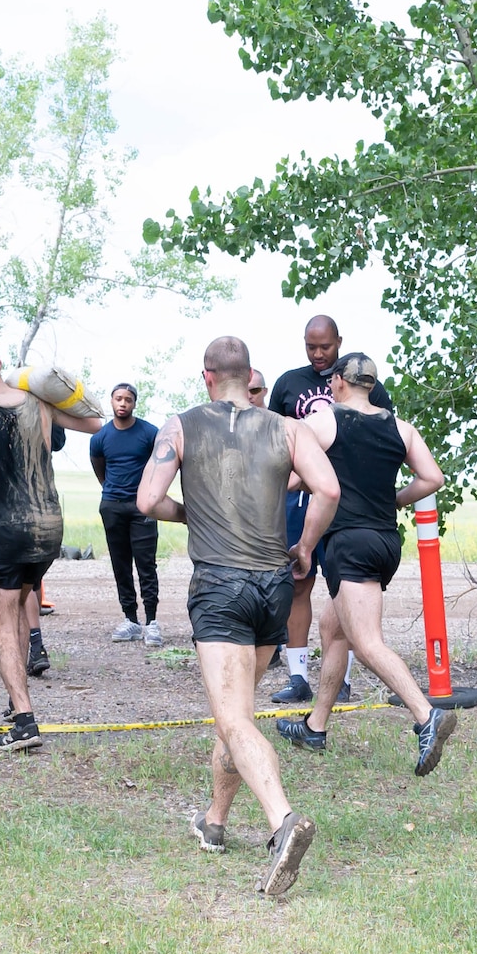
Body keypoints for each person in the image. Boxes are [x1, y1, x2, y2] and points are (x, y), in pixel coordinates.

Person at [138, 336, 342, 897]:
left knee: (231, 717)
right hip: (274, 585)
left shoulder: (179, 426)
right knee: (240, 712)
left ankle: (282, 823)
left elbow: (147, 500)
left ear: (207, 377)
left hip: (222, 586)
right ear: (249, 375)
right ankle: (216, 820)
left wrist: (192, 514)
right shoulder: (285, 427)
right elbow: (327, 487)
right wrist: (304, 546)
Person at [275, 354, 457, 776]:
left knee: (367, 641)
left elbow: (289, 471)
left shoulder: (325, 420)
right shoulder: (400, 427)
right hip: (385, 541)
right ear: (372, 385)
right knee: (332, 628)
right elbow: (432, 478)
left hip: (348, 543)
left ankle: (425, 716)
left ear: (338, 382)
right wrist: (392, 499)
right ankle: (315, 727)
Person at [0, 339, 103, 750]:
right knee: (18, 605)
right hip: (49, 526)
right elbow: (94, 424)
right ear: (0, 364)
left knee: (0, 621)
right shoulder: (36, 401)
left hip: (5, 526)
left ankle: (25, 722)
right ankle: (16, 698)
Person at [268, 314, 393, 703]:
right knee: (298, 582)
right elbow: (277, 439)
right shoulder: (289, 383)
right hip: (300, 501)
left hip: (349, 506)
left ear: (339, 342)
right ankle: (299, 676)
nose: (318, 354)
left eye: (325, 346)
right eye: (311, 346)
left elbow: (384, 439)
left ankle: (342, 679)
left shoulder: (368, 386)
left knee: (346, 590)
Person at [92, 383, 163, 646]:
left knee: (146, 565)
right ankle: (131, 620)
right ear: (111, 401)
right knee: (120, 564)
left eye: (128, 400)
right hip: (112, 506)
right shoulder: (100, 437)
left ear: (134, 403)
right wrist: (112, 492)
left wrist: (148, 495)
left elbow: (160, 465)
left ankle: (152, 622)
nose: (123, 404)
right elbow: (100, 468)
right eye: (118, 399)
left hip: (142, 508)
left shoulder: (149, 433)